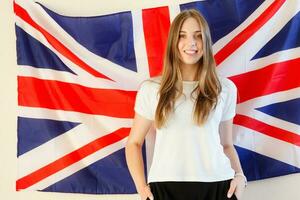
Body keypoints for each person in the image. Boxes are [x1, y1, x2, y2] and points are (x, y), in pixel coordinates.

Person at [125, 9, 247, 200]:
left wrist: (240, 176)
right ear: (173, 41)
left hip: (219, 187)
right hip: (165, 188)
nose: (191, 43)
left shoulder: (225, 88)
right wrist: (141, 188)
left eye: (198, 36)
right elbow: (133, 143)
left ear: (206, 42)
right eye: (182, 36)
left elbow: (226, 144)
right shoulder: (151, 89)